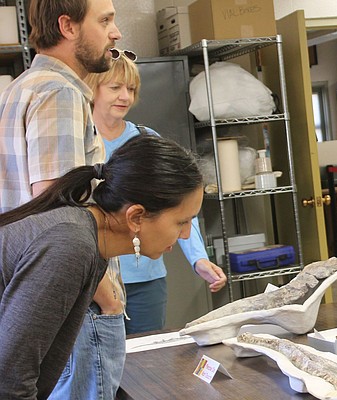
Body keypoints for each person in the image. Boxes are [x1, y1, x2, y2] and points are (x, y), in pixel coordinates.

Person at [48, 50, 227, 399]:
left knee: (146, 365)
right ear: (94, 88)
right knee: (96, 368)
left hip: (146, 278)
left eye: (131, 89)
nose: (125, 97)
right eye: (116, 87)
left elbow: (179, 208)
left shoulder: (147, 139)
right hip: (97, 280)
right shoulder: (76, 140)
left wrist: (198, 259)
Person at [0, 134, 204, 399]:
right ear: (136, 216)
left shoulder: (90, 241)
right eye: (181, 222)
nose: (186, 234)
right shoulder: (71, 245)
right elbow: (10, 380)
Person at [0, 0, 121, 213]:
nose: (116, 33)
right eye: (105, 21)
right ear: (68, 27)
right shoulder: (59, 93)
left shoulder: (20, 87)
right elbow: (59, 214)